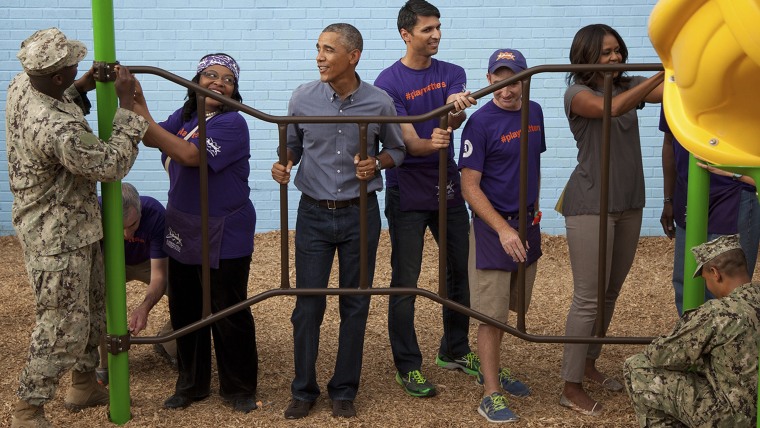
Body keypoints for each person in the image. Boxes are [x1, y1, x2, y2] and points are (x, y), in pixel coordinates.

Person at [6, 28, 149, 427]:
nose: (76, 64)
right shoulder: (56, 129)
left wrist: (82, 84)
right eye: (71, 65)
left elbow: (59, 97)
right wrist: (126, 107)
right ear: (54, 77)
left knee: (93, 309)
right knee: (62, 324)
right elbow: (110, 164)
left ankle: (83, 383)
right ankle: (27, 409)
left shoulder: (24, 82)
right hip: (56, 236)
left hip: (76, 225)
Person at [271, 23, 405, 419]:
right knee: (307, 306)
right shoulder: (303, 97)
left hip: (360, 214)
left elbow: (396, 151)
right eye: (318, 48)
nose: (319, 57)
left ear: (353, 56)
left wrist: (375, 163)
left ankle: (344, 389)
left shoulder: (380, 102)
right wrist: (283, 165)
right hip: (312, 212)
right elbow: (291, 147)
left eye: (328, 49)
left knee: (355, 303)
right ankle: (303, 390)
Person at [135, 53, 258, 413]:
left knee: (228, 309)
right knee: (186, 308)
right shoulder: (186, 116)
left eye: (228, 79)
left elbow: (190, 155)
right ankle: (191, 385)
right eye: (210, 75)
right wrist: (136, 101)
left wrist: (139, 108)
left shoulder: (232, 122)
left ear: (234, 91)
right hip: (183, 227)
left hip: (226, 230)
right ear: (196, 81)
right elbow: (150, 138)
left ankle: (238, 387)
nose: (219, 83)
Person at [557, 23, 665, 415]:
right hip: (589, 203)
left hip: (629, 201)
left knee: (609, 293)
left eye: (618, 50)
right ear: (586, 57)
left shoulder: (628, 83)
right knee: (588, 297)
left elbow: (666, 91)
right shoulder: (577, 93)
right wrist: (663, 69)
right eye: (605, 53)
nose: (615, 58)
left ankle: (588, 363)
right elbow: (611, 109)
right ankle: (570, 385)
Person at [374, 0, 479, 398]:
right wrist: (429, 140)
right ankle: (408, 365)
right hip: (406, 188)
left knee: (459, 270)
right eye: (427, 29)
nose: (436, 34)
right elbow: (408, 142)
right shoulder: (388, 82)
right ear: (405, 34)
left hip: (446, 183)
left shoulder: (452, 72)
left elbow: (453, 116)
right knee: (406, 278)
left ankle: (455, 349)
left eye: (438, 27)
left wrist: (453, 116)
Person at [459, 49, 544, 423]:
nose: (505, 89)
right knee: (490, 316)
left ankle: (490, 370)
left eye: (513, 79)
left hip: (528, 223)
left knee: (511, 307)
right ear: (490, 78)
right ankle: (490, 393)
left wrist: (533, 215)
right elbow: (469, 186)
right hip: (496, 228)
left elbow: (532, 165)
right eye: (499, 78)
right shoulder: (479, 123)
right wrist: (504, 228)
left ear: (524, 80)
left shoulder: (535, 112)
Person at [624, 234, 760, 427]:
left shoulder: (719, 313)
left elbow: (660, 356)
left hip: (734, 418)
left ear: (715, 273)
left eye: (705, 278)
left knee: (637, 366)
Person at [659, 106, 760, 316]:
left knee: (728, 285)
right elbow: (669, 142)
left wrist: (739, 173)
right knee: (685, 282)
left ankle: (733, 345)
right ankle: (695, 343)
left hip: (733, 193)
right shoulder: (675, 90)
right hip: (688, 193)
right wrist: (668, 198)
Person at [96, 182, 174, 386]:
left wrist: (144, 307)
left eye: (132, 225)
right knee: (95, 303)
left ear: (140, 211)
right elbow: (97, 271)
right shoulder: (95, 212)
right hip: (111, 262)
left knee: (191, 295)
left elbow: (159, 275)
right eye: (119, 228)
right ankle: (104, 364)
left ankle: (168, 342)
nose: (126, 235)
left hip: (147, 261)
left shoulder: (155, 214)